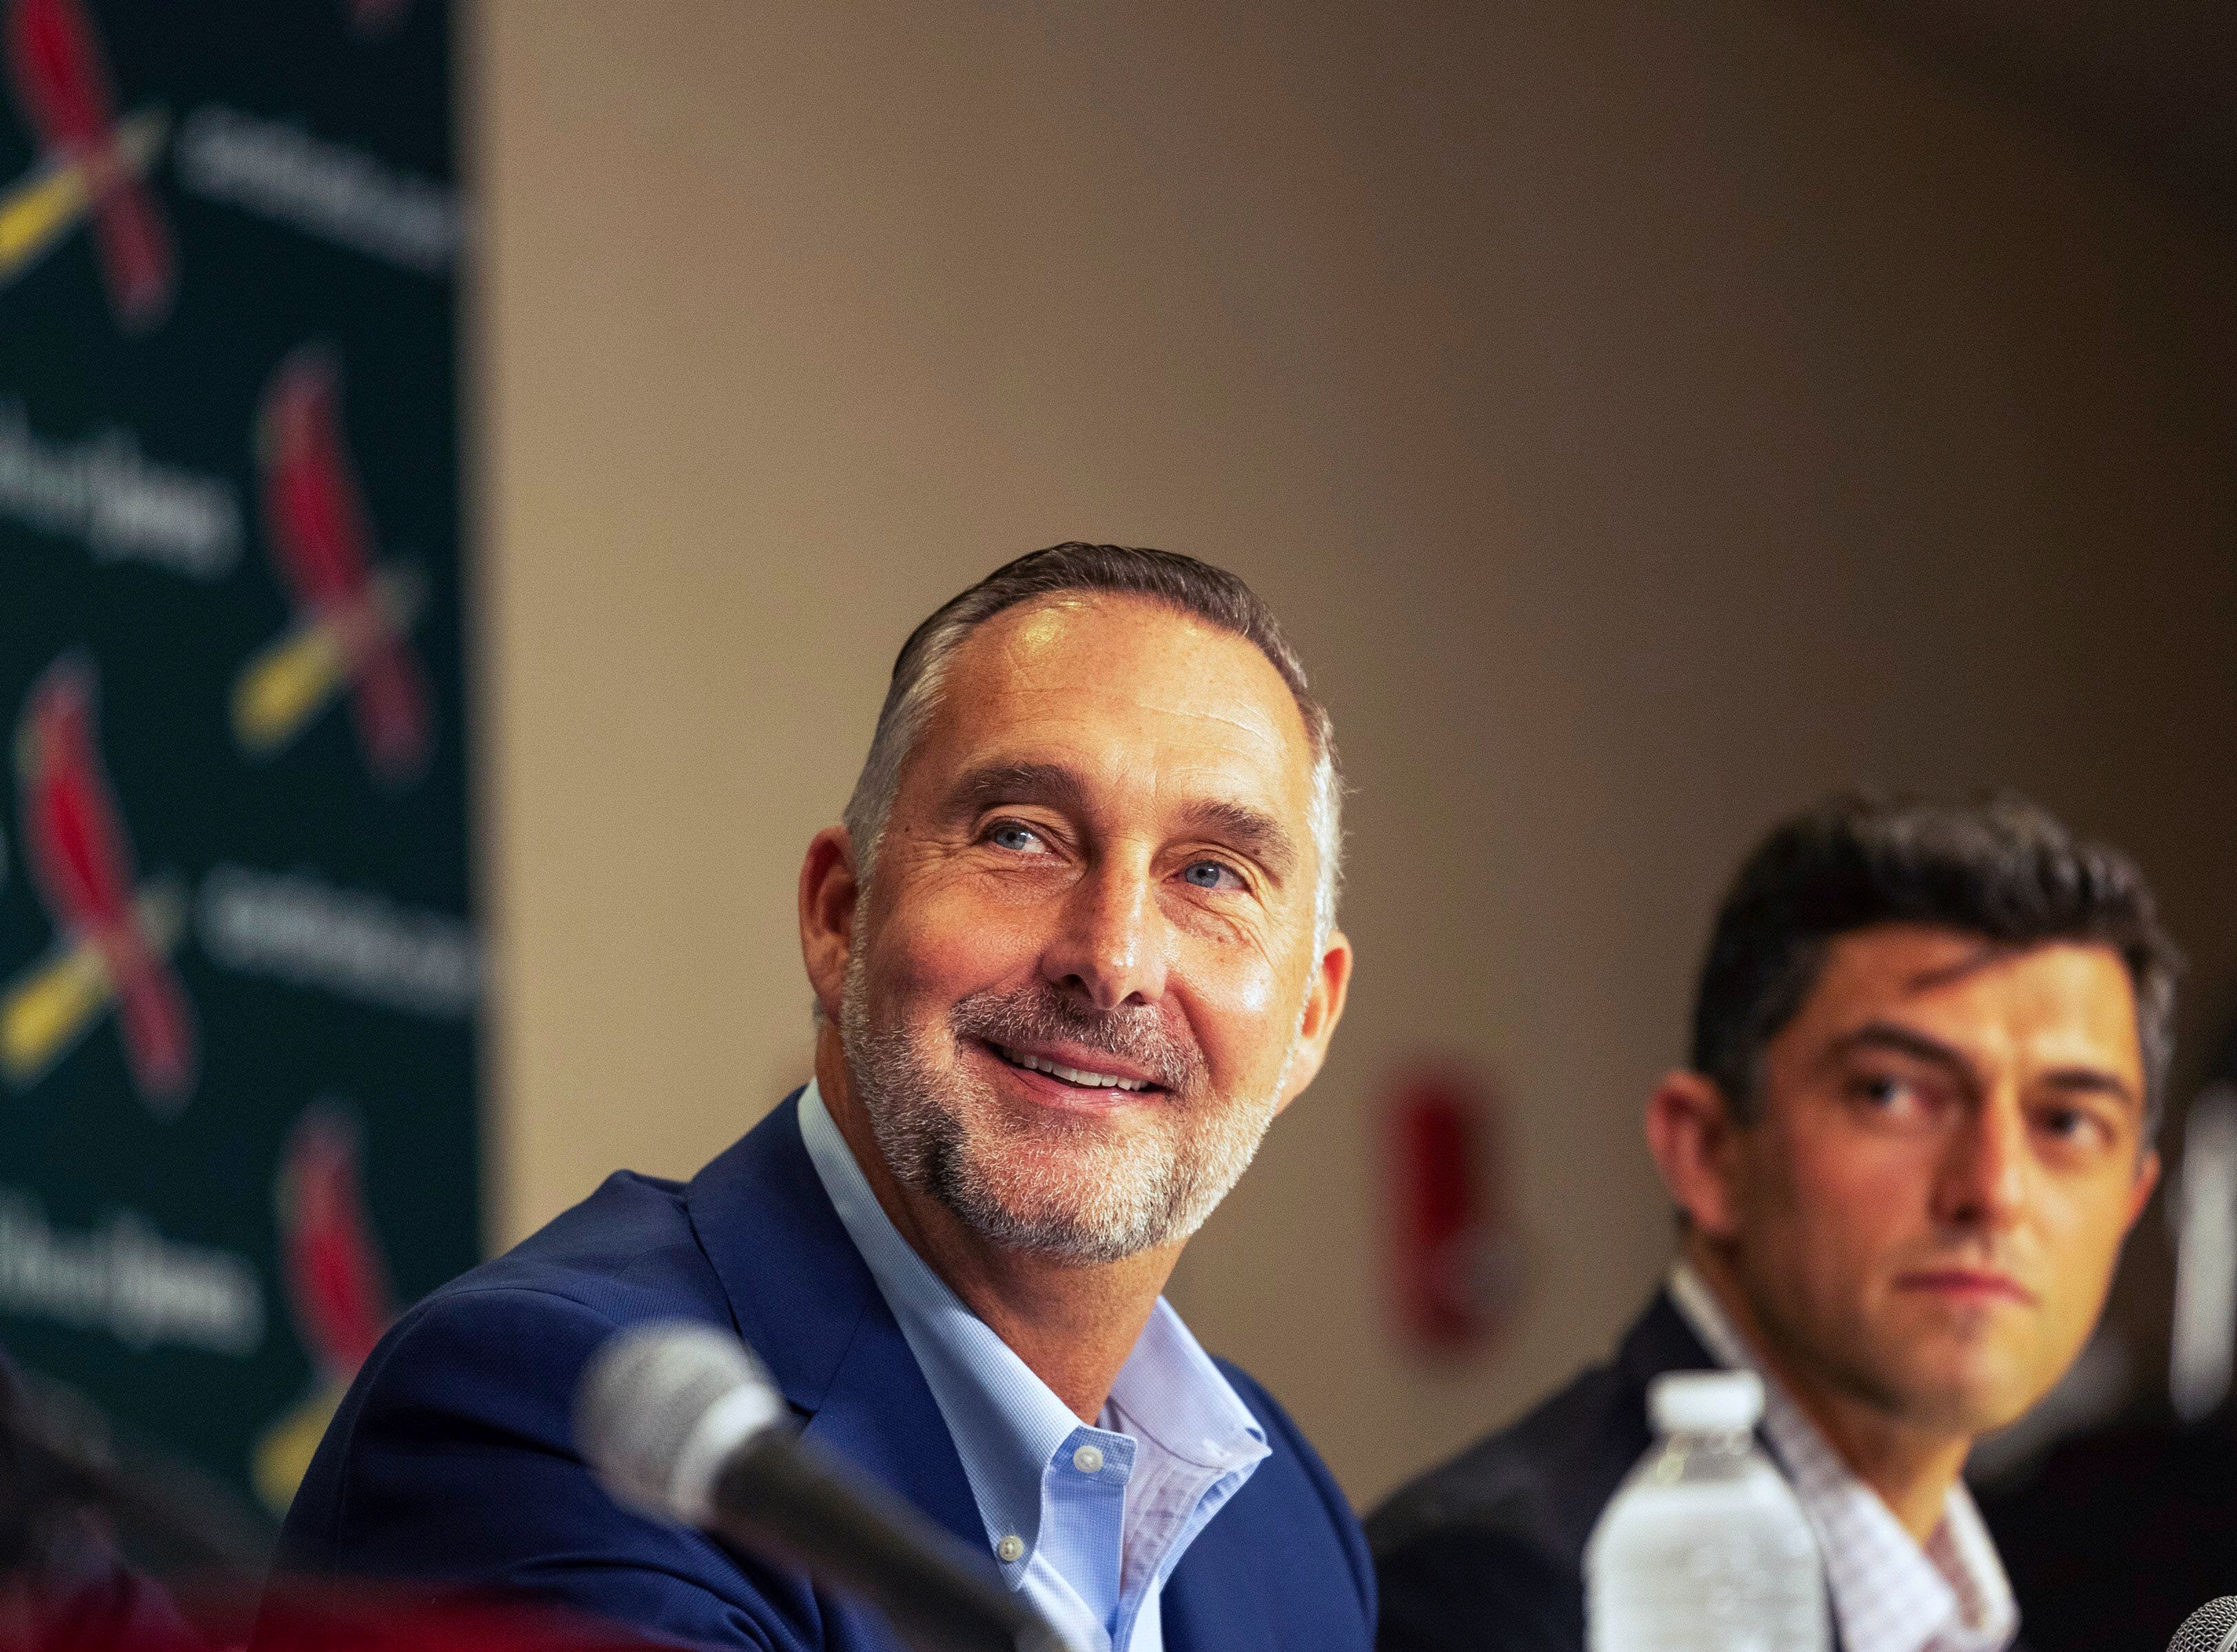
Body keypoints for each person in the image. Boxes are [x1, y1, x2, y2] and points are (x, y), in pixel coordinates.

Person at [266, 545, 1370, 1652]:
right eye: (1021, 835)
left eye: (1213, 874)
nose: (1114, 956)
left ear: (1308, 1024)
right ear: (839, 918)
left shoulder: (1288, 1531)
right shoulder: (546, 1415)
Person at [1370, 793, 2176, 1652]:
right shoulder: (1495, 1592)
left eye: (2066, 1123)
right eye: (1892, 1094)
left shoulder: (2041, 1594)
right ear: (1708, 1153)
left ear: (2130, 1202)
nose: (1994, 1189)